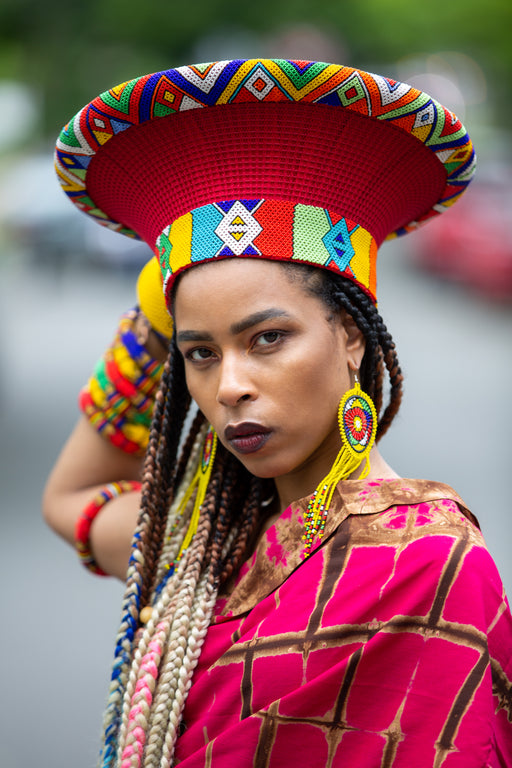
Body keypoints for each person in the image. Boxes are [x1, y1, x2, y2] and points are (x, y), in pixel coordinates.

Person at [43, 59, 512, 767]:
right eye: (200, 353)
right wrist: (148, 326)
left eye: (268, 338)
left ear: (350, 337)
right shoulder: (199, 550)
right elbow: (70, 498)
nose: (230, 384)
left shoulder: (431, 564)